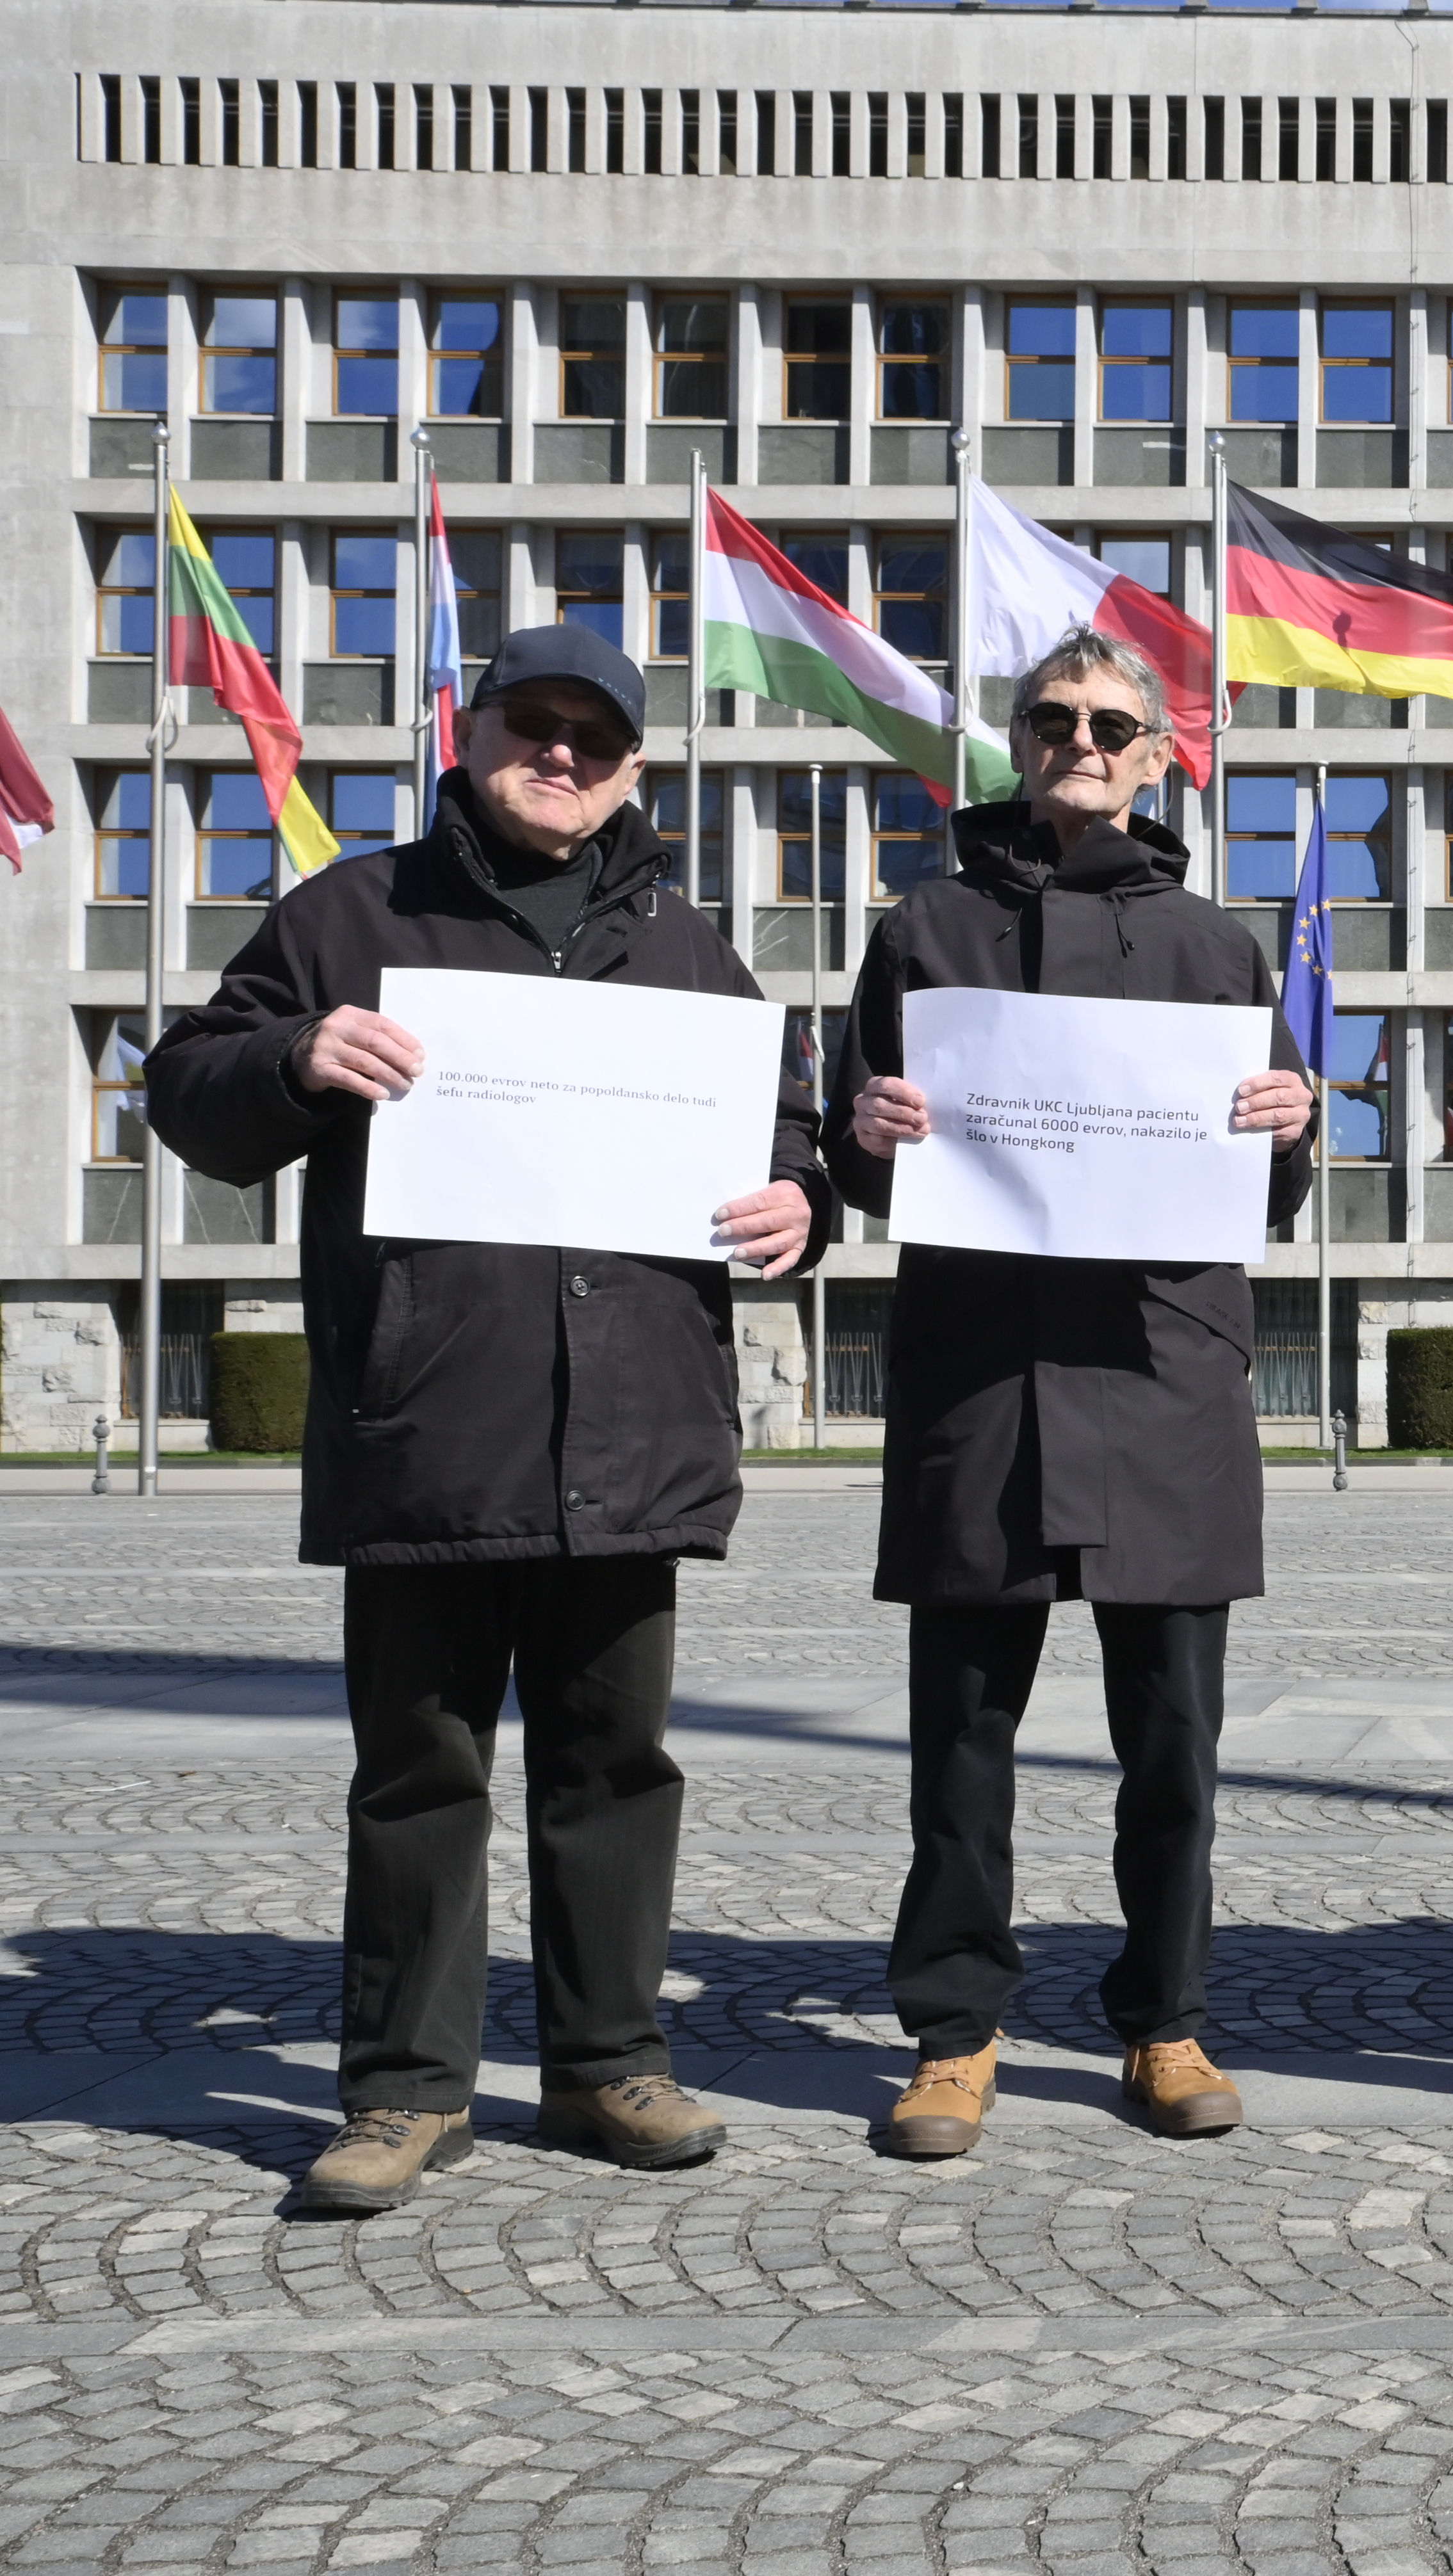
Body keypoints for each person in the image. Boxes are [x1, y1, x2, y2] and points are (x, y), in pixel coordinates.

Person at [145, 626, 827, 2213]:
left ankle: (609, 2063)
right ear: (471, 730)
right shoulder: (351, 915)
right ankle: (403, 2086)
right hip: (431, 1426)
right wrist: (297, 1053)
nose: (563, 753)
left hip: (634, 1433)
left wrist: (803, 1197)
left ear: (635, 768)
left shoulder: (688, 945)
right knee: (419, 1772)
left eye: (598, 734)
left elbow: (784, 1131)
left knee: (617, 1765)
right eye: (536, 722)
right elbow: (188, 1091)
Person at [822, 630, 1316, 2159]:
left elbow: (1271, 1183)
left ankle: (1165, 2019)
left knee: (1172, 1747)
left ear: (1158, 754)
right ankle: (953, 2031)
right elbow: (851, 1153)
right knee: (962, 1743)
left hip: (1163, 1383)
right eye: (1054, 718)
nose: (1081, 741)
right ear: (1021, 740)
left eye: (1112, 723)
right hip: (983, 1385)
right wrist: (867, 1131)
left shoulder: (1220, 949)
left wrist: (1293, 1124)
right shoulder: (927, 928)